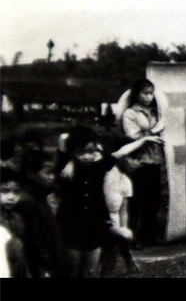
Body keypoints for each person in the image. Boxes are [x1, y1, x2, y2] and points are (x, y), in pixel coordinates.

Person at [56, 126, 164, 277]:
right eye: (81, 152)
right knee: (72, 271)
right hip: (70, 227)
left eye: (90, 151)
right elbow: (63, 137)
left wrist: (144, 140)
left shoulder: (99, 167)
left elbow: (121, 152)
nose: (87, 156)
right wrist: (70, 161)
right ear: (72, 153)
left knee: (90, 271)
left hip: (94, 226)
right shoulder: (65, 169)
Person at [121, 79, 166, 246]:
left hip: (154, 161)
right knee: (136, 201)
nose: (148, 97)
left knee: (153, 201)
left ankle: (149, 235)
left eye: (151, 93)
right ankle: (133, 238)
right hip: (139, 162)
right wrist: (154, 130)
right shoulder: (130, 114)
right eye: (145, 93)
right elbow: (133, 138)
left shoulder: (155, 112)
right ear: (137, 94)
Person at [99, 139, 142, 277]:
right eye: (133, 158)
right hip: (94, 223)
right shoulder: (105, 173)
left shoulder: (126, 181)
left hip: (112, 225)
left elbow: (123, 212)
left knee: (108, 265)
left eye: (139, 159)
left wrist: (128, 256)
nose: (137, 163)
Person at [20, 151, 66, 277]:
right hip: (43, 265)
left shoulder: (40, 195)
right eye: (48, 172)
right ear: (31, 174)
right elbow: (34, 240)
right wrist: (47, 264)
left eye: (53, 172)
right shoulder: (28, 201)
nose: (52, 177)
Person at [0, 167, 47, 277]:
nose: (11, 197)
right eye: (5, 191)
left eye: (16, 192)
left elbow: (23, 253)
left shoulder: (17, 219)